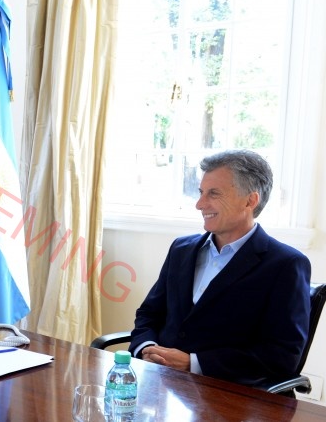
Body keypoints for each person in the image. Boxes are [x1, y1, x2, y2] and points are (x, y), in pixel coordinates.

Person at [129, 150, 311, 387]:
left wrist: (193, 363)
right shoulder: (181, 249)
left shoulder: (286, 264)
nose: (199, 204)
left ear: (250, 201)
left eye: (213, 193)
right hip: (161, 382)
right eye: (201, 192)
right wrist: (148, 348)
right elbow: (149, 313)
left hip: (227, 394)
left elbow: (283, 355)